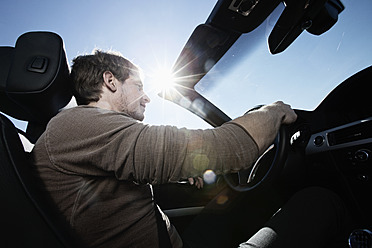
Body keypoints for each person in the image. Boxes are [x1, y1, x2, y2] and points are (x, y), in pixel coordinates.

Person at [31, 50, 350, 248]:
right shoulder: (79, 124)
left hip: (174, 240)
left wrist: (191, 176)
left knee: (237, 200)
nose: (146, 97)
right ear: (111, 81)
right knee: (319, 202)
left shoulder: (79, 132)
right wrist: (273, 111)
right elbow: (228, 148)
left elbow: (122, 182)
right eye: (139, 86)